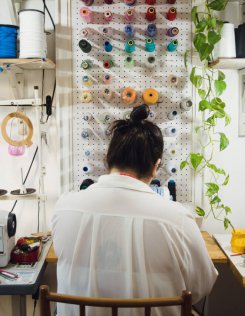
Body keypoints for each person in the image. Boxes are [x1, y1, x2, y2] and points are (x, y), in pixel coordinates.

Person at [52, 104, 218, 316]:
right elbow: (201, 288)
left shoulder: (65, 208)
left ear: (108, 160)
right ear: (156, 166)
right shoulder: (178, 220)